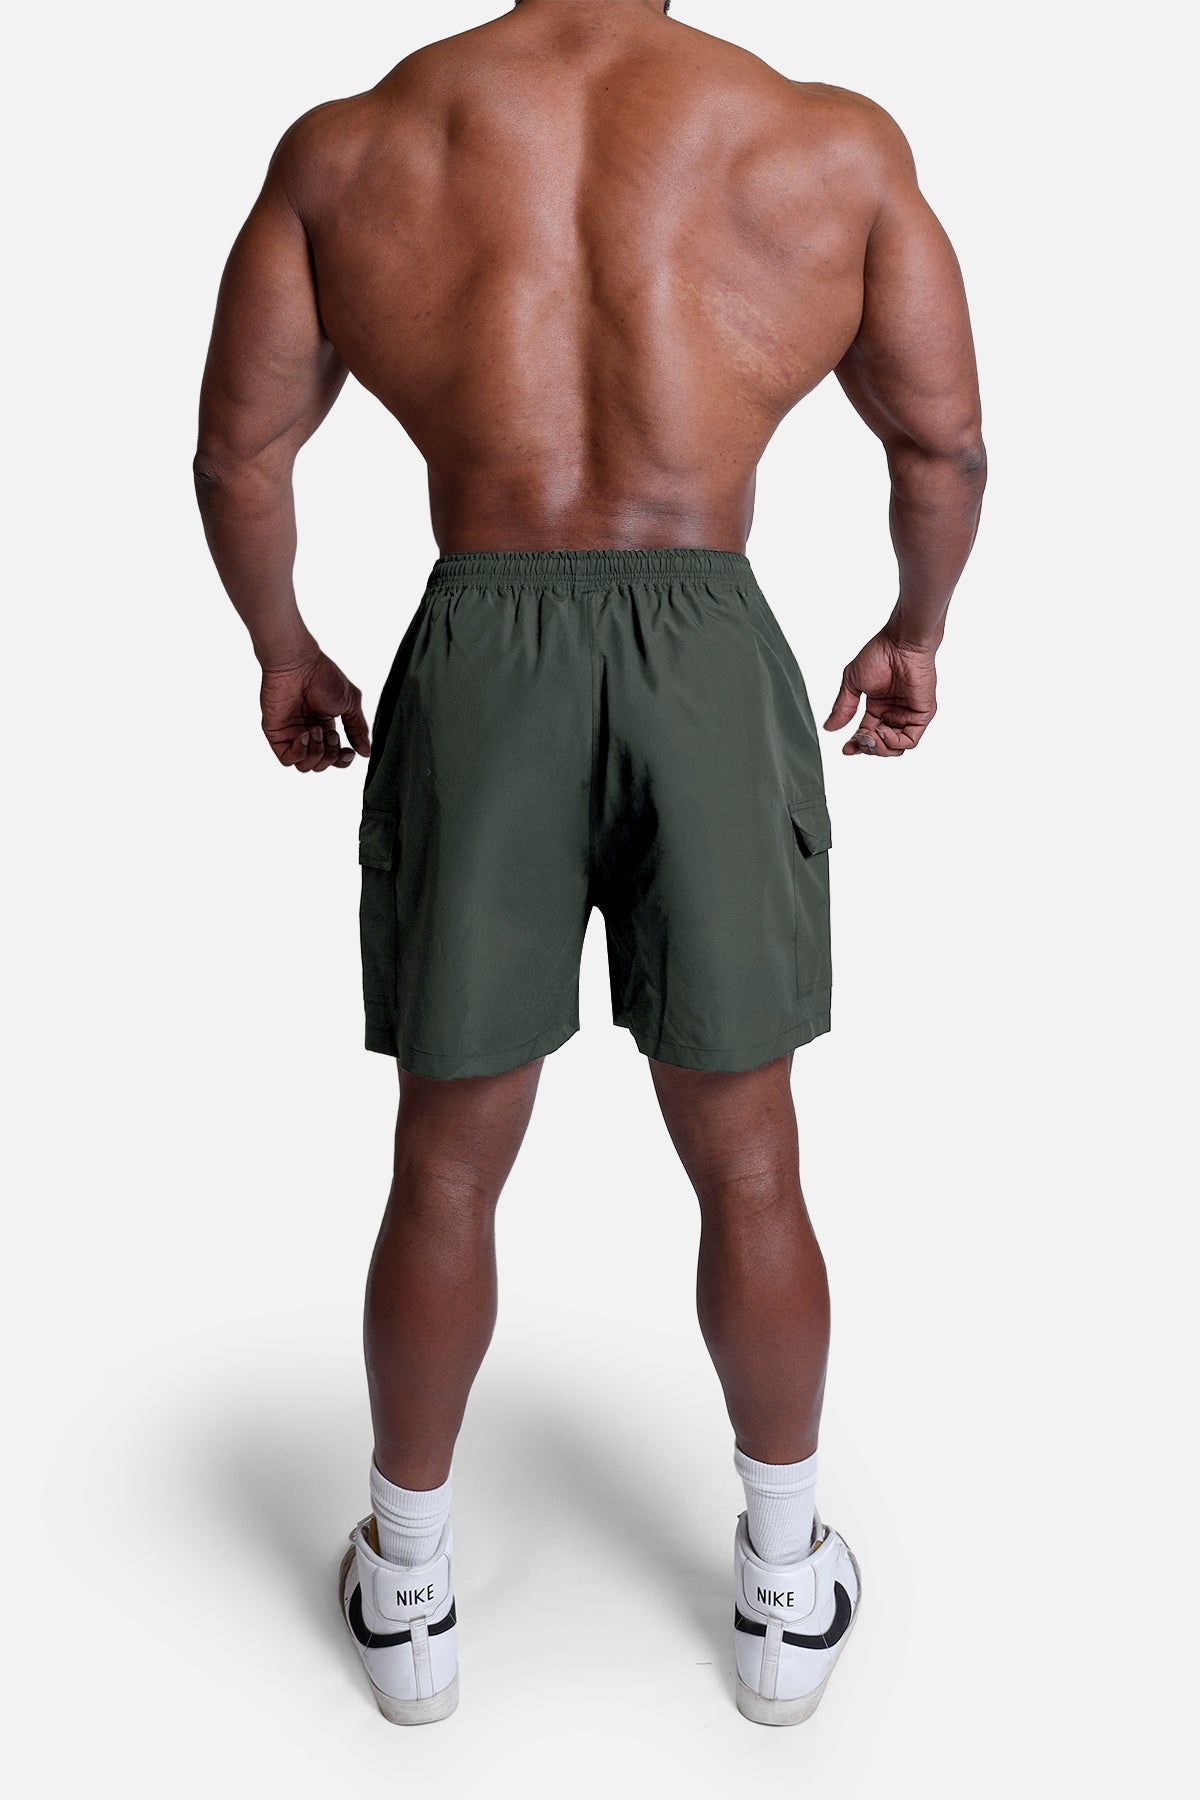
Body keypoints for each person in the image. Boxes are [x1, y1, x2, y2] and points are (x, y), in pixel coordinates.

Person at [194, 0, 985, 1729]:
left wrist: (284, 647)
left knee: (446, 1160)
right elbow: (941, 442)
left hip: (481, 652)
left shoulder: (354, 146)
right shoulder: (825, 140)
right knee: (751, 1156)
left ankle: (409, 1589)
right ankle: (785, 1582)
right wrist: (916, 628)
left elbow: (240, 449)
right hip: (708, 645)